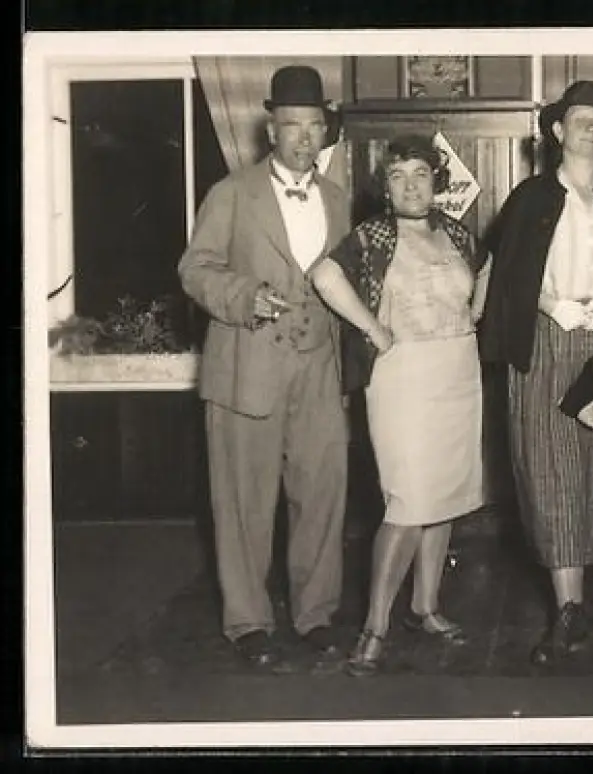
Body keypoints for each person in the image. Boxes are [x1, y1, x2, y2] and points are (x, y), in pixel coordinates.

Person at [478, 80, 593, 664]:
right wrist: (550, 304)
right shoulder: (529, 198)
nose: (591, 128)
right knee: (549, 466)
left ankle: (587, 595)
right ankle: (568, 606)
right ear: (557, 131)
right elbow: (509, 273)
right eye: (580, 119)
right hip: (546, 337)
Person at [178, 65, 349, 670]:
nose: (303, 138)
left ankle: (316, 614)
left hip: (319, 368)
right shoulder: (231, 193)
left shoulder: (338, 199)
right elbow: (195, 269)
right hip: (246, 367)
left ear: (325, 131)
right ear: (271, 130)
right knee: (244, 501)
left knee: (322, 494)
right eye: (292, 126)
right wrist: (245, 295)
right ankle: (248, 621)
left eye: (314, 127)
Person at [309, 134, 491, 677]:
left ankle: (426, 608)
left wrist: (475, 313)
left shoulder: (457, 232)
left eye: (420, 174)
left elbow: (487, 267)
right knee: (407, 501)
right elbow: (324, 275)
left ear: (437, 182)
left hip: (457, 371)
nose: (411, 186)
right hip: (403, 377)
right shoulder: (373, 236)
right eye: (398, 176)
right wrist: (372, 327)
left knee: (444, 496)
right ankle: (375, 627)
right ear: (384, 188)